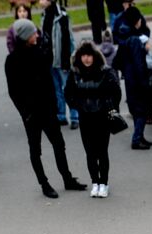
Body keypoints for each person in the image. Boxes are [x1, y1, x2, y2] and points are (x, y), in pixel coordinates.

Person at [5, 19, 86, 197]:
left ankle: (67, 179)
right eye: (34, 33)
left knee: (59, 145)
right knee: (36, 149)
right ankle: (44, 183)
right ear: (26, 36)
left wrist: (55, 106)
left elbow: (49, 78)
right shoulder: (12, 60)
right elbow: (14, 91)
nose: (37, 35)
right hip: (31, 114)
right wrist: (25, 113)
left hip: (48, 110)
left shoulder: (39, 52)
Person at [64, 40, 120, 194]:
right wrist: (78, 106)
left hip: (102, 117)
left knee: (102, 152)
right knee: (90, 152)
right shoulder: (75, 74)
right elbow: (68, 94)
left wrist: (110, 107)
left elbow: (116, 92)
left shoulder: (105, 71)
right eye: (83, 55)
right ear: (79, 57)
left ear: (94, 56)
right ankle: (95, 182)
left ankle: (104, 183)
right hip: (85, 117)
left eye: (89, 55)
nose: (86, 59)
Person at [113, 5, 152, 148]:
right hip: (137, 80)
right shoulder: (135, 40)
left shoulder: (125, 37)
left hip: (129, 78)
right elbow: (139, 64)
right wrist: (144, 83)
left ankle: (140, 136)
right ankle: (136, 139)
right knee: (141, 111)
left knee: (137, 110)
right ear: (137, 21)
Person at [40, 0, 78, 127]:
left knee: (68, 89)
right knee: (56, 90)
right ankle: (61, 115)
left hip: (62, 60)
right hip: (49, 60)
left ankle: (75, 117)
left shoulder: (62, 16)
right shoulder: (44, 16)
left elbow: (70, 39)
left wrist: (71, 60)